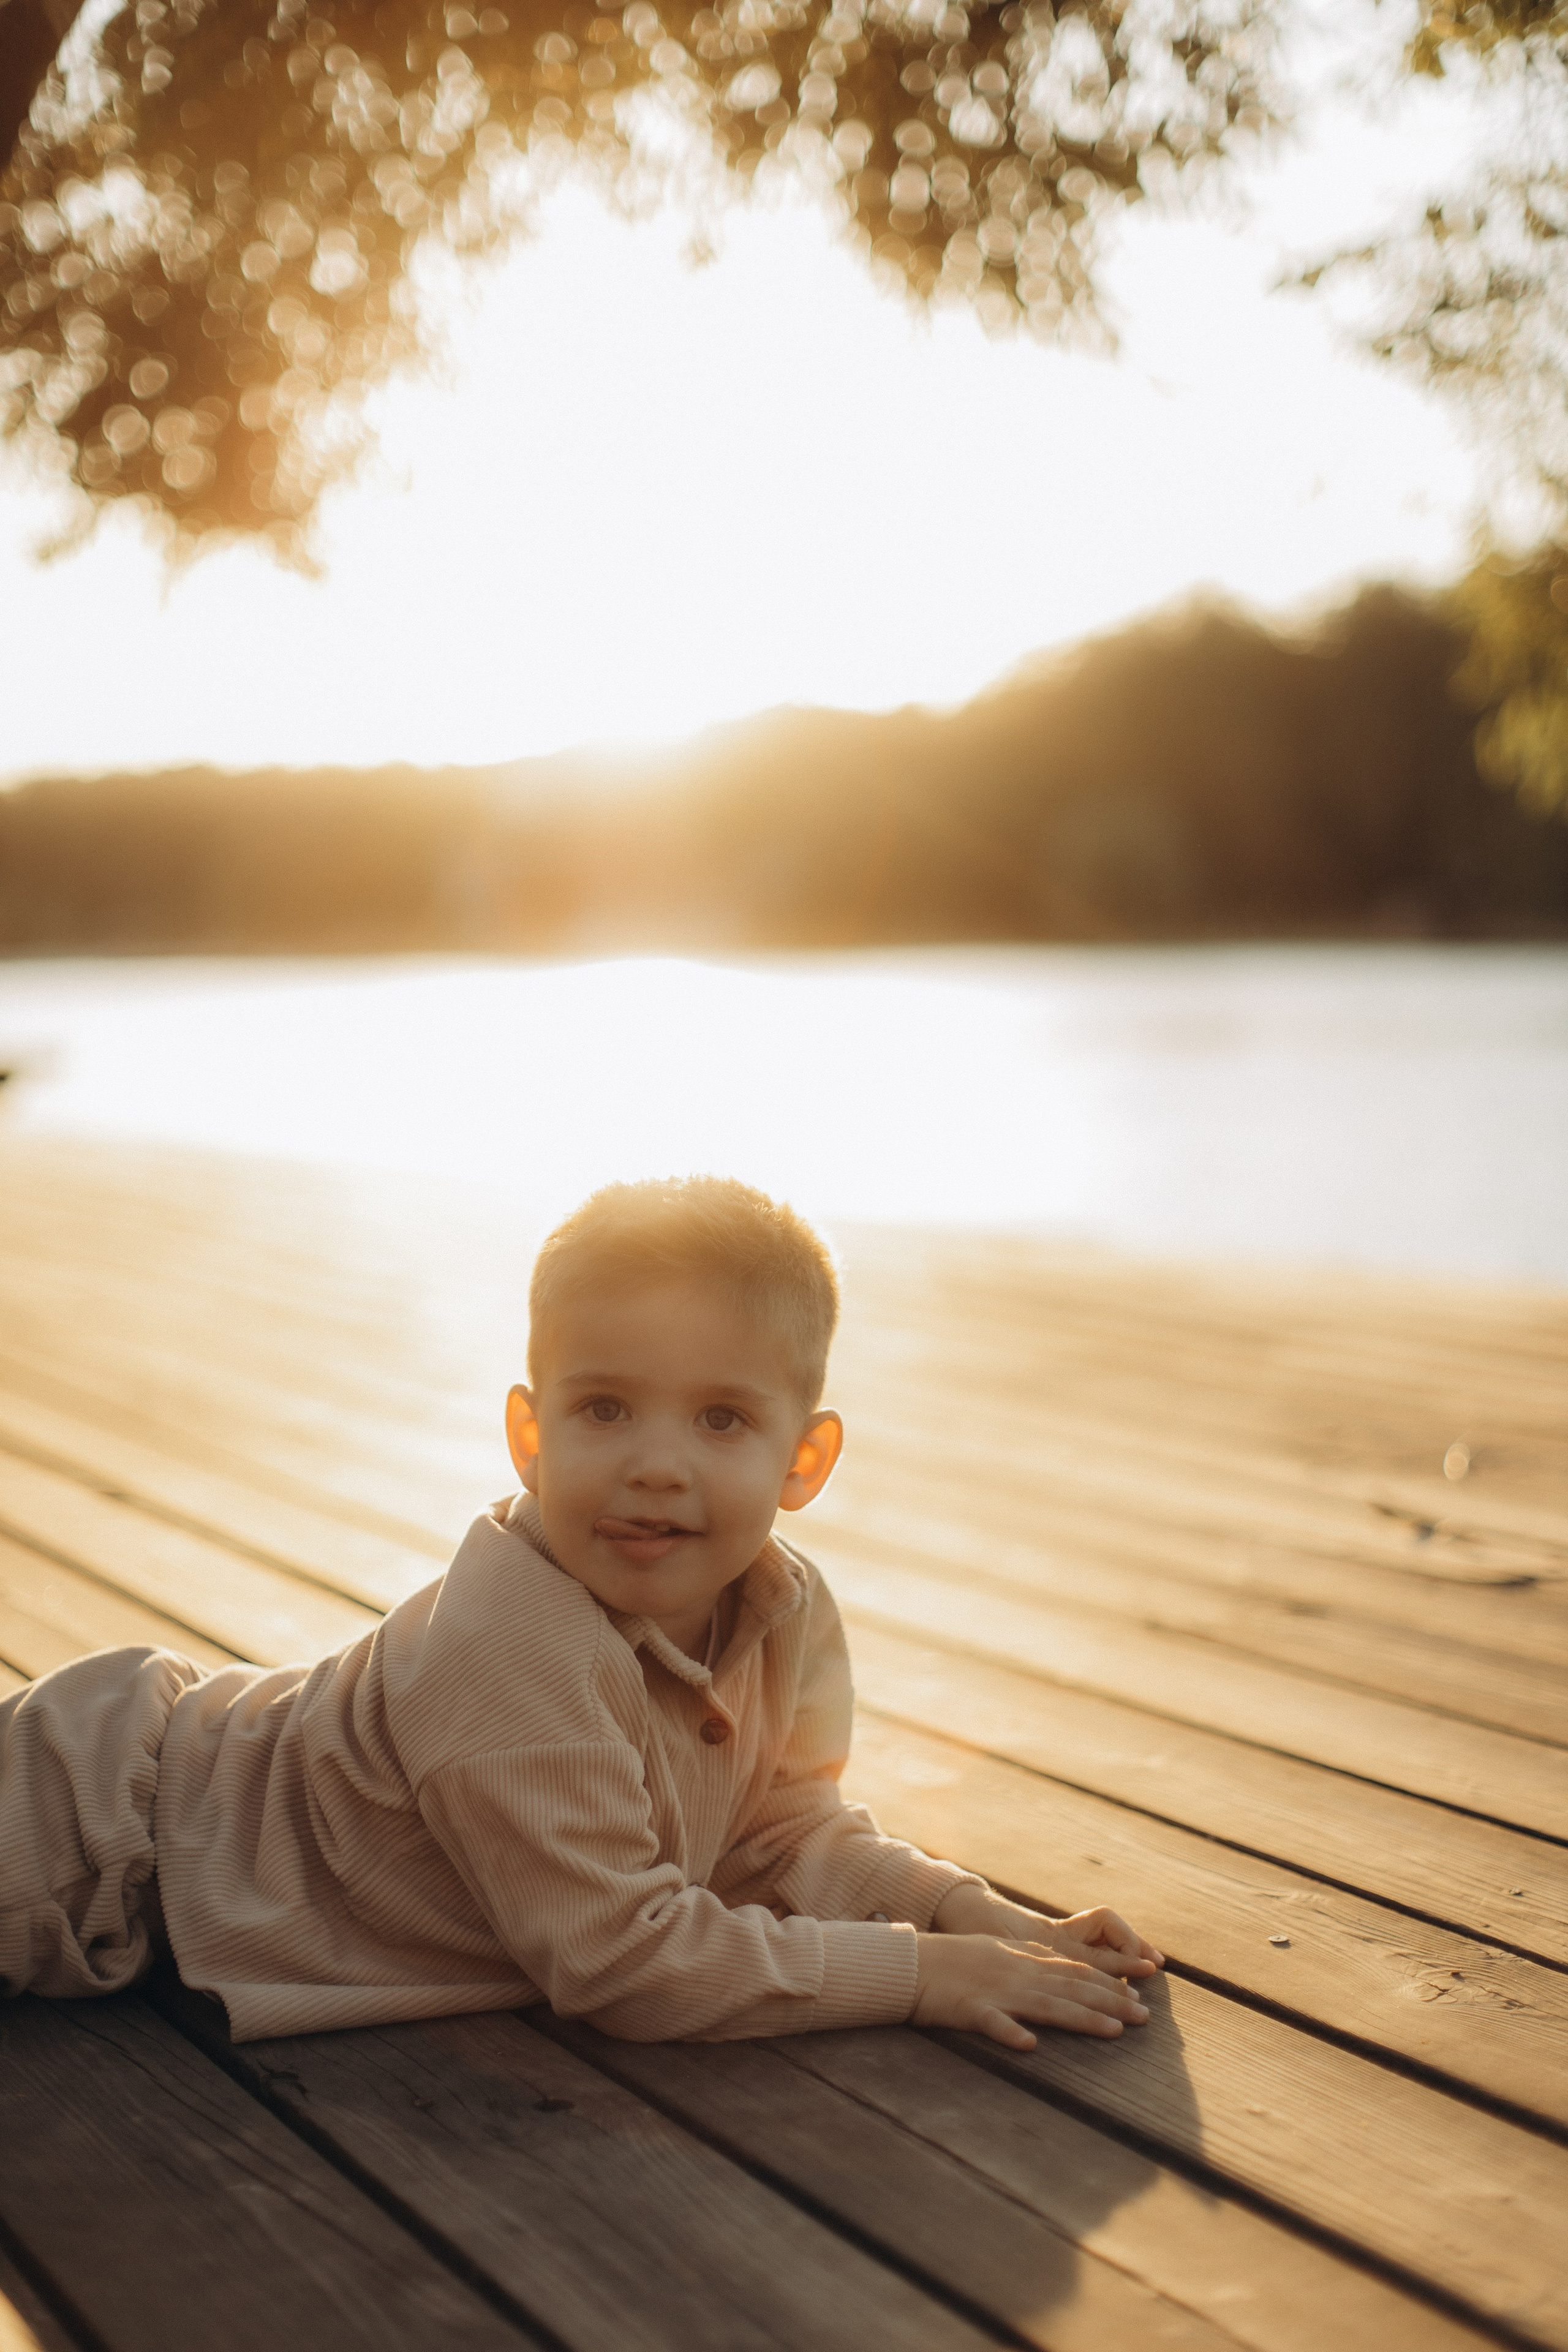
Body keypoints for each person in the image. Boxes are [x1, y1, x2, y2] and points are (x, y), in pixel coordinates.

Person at [0, 1175, 1162, 2048]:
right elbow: (626, 1964)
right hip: (105, 1834)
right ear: (530, 1434)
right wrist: (919, 1977)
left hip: (169, 1821)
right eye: (606, 1409)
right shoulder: (516, 1649)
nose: (657, 1465)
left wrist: (969, 1914)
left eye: (719, 1420)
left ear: (802, 1460)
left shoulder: (782, 1608)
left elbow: (784, 1835)